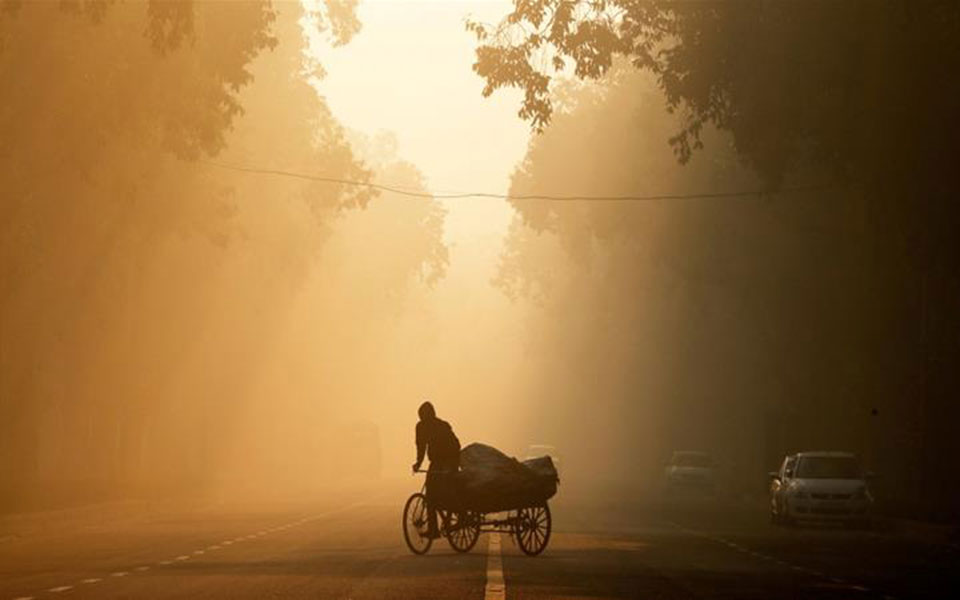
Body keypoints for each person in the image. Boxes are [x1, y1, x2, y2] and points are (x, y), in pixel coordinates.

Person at [412, 400, 460, 538]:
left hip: (448, 461)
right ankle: (434, 530)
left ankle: (458, 514)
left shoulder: (442, 426)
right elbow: (421, 447)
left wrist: (453, 466)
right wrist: (418, 463)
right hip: (436, 462)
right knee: (430, 496)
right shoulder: (421, 427)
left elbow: (455, 446)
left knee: (448, 491)